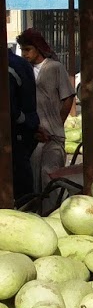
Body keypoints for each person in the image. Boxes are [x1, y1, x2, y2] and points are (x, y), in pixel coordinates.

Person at [17, 28, 72, 199]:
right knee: (33, 181)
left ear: (38, 48)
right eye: (22, 50)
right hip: (32, 136)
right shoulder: (23, 70)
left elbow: (68, 99)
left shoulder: (55, 68)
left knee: (51, 178)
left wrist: (57, 124)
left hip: (53, 136)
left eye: (28, 49)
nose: (24, 54)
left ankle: (54, 215)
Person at [8, 48, 38, 201]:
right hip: (26, 128)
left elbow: (10, 108)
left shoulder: (9, 67)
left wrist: (23, 120)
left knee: (18, 174)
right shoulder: (21, 64)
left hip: (16, 130)